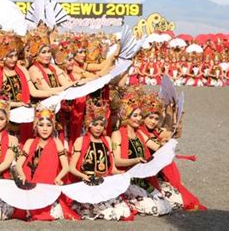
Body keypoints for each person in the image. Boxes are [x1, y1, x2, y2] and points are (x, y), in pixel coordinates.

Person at [111, 87, 172, 216]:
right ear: (127, 117)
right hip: (127, 179)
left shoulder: (140, 133)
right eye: (136, 115)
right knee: (153, 209)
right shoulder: (117, 134)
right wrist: (137, 160)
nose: (139, 118)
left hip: (141, 180)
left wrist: (167, 143)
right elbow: (117, 161)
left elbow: (157, 148)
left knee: (166, 207)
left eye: (140, 115)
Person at [69, 98, 131, 221]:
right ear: (89, 124)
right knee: (106, 213)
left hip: (104, 182)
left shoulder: (107, 140)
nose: (98, 128)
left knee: (123, 211)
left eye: (101, 125)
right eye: (95, 124)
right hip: (87, 183)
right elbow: (71, 167)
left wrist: (121, 173)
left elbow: (111, 168)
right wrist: (83, 176)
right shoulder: (80, 141)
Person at [15, 106, 79, 221]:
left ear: (53, 127)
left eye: (48, 125)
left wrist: (58, 178)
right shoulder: (29, 142)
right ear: (36, 126)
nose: (45, 129)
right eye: (41, 125)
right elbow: (19, 164)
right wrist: (23, 176)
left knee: (54, 213)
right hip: (29, 186)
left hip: (48, 187)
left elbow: (66, 167)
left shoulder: (57, 142)